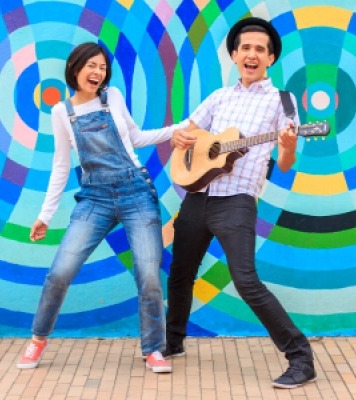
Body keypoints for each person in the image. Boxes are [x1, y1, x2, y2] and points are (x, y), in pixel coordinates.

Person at [164, 17, 317, 388]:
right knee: (180, 273)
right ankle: (171, 343)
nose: (251, 54)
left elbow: (283, 163)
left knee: (245, 280)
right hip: (197, 196)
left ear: (270, 58)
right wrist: (180, 141)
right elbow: (187, 132)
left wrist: (289, 144)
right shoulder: (219, 97)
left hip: (237, 201)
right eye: (245, 47)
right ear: (234, 55)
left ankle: (301, 357)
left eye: (259, 49)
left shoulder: (282, 102)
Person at [16, 42, 185, 373]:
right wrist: (45, 215)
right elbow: (61, 167)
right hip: (95, 198)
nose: (98, 72)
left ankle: (153, 349)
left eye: (102, 67)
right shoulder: (62, 112)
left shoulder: (114, 98)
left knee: (149, 275)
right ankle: (37, 339)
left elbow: (135, 138)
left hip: (137, 192)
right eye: (91, 65)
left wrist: (177, 130)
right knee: (60, 271)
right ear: (75, 69)